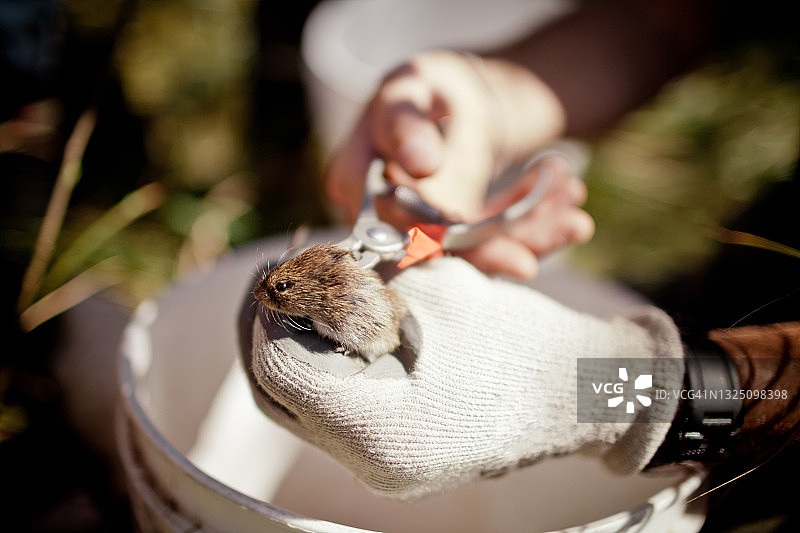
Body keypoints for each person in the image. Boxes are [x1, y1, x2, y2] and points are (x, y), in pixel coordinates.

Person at [240, 0, 798, 522]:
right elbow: (673, 17)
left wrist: (624, 387)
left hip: (760, 421)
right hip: (746, 276)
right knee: (706, 299)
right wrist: (493, 100)